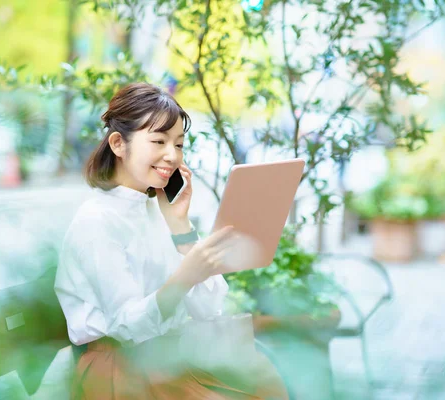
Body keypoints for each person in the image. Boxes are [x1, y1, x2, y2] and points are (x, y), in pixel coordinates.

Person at [54, 83, 288, 399]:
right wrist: (183, 278)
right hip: (121, 370)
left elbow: (209, 309)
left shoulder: (159, 208)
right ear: (118, 144)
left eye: (178, 144)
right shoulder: (97, 220)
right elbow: (127, 328)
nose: (172, 155)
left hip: (171, 359)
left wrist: (181, 226)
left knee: (265, 386)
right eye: (158, 141)